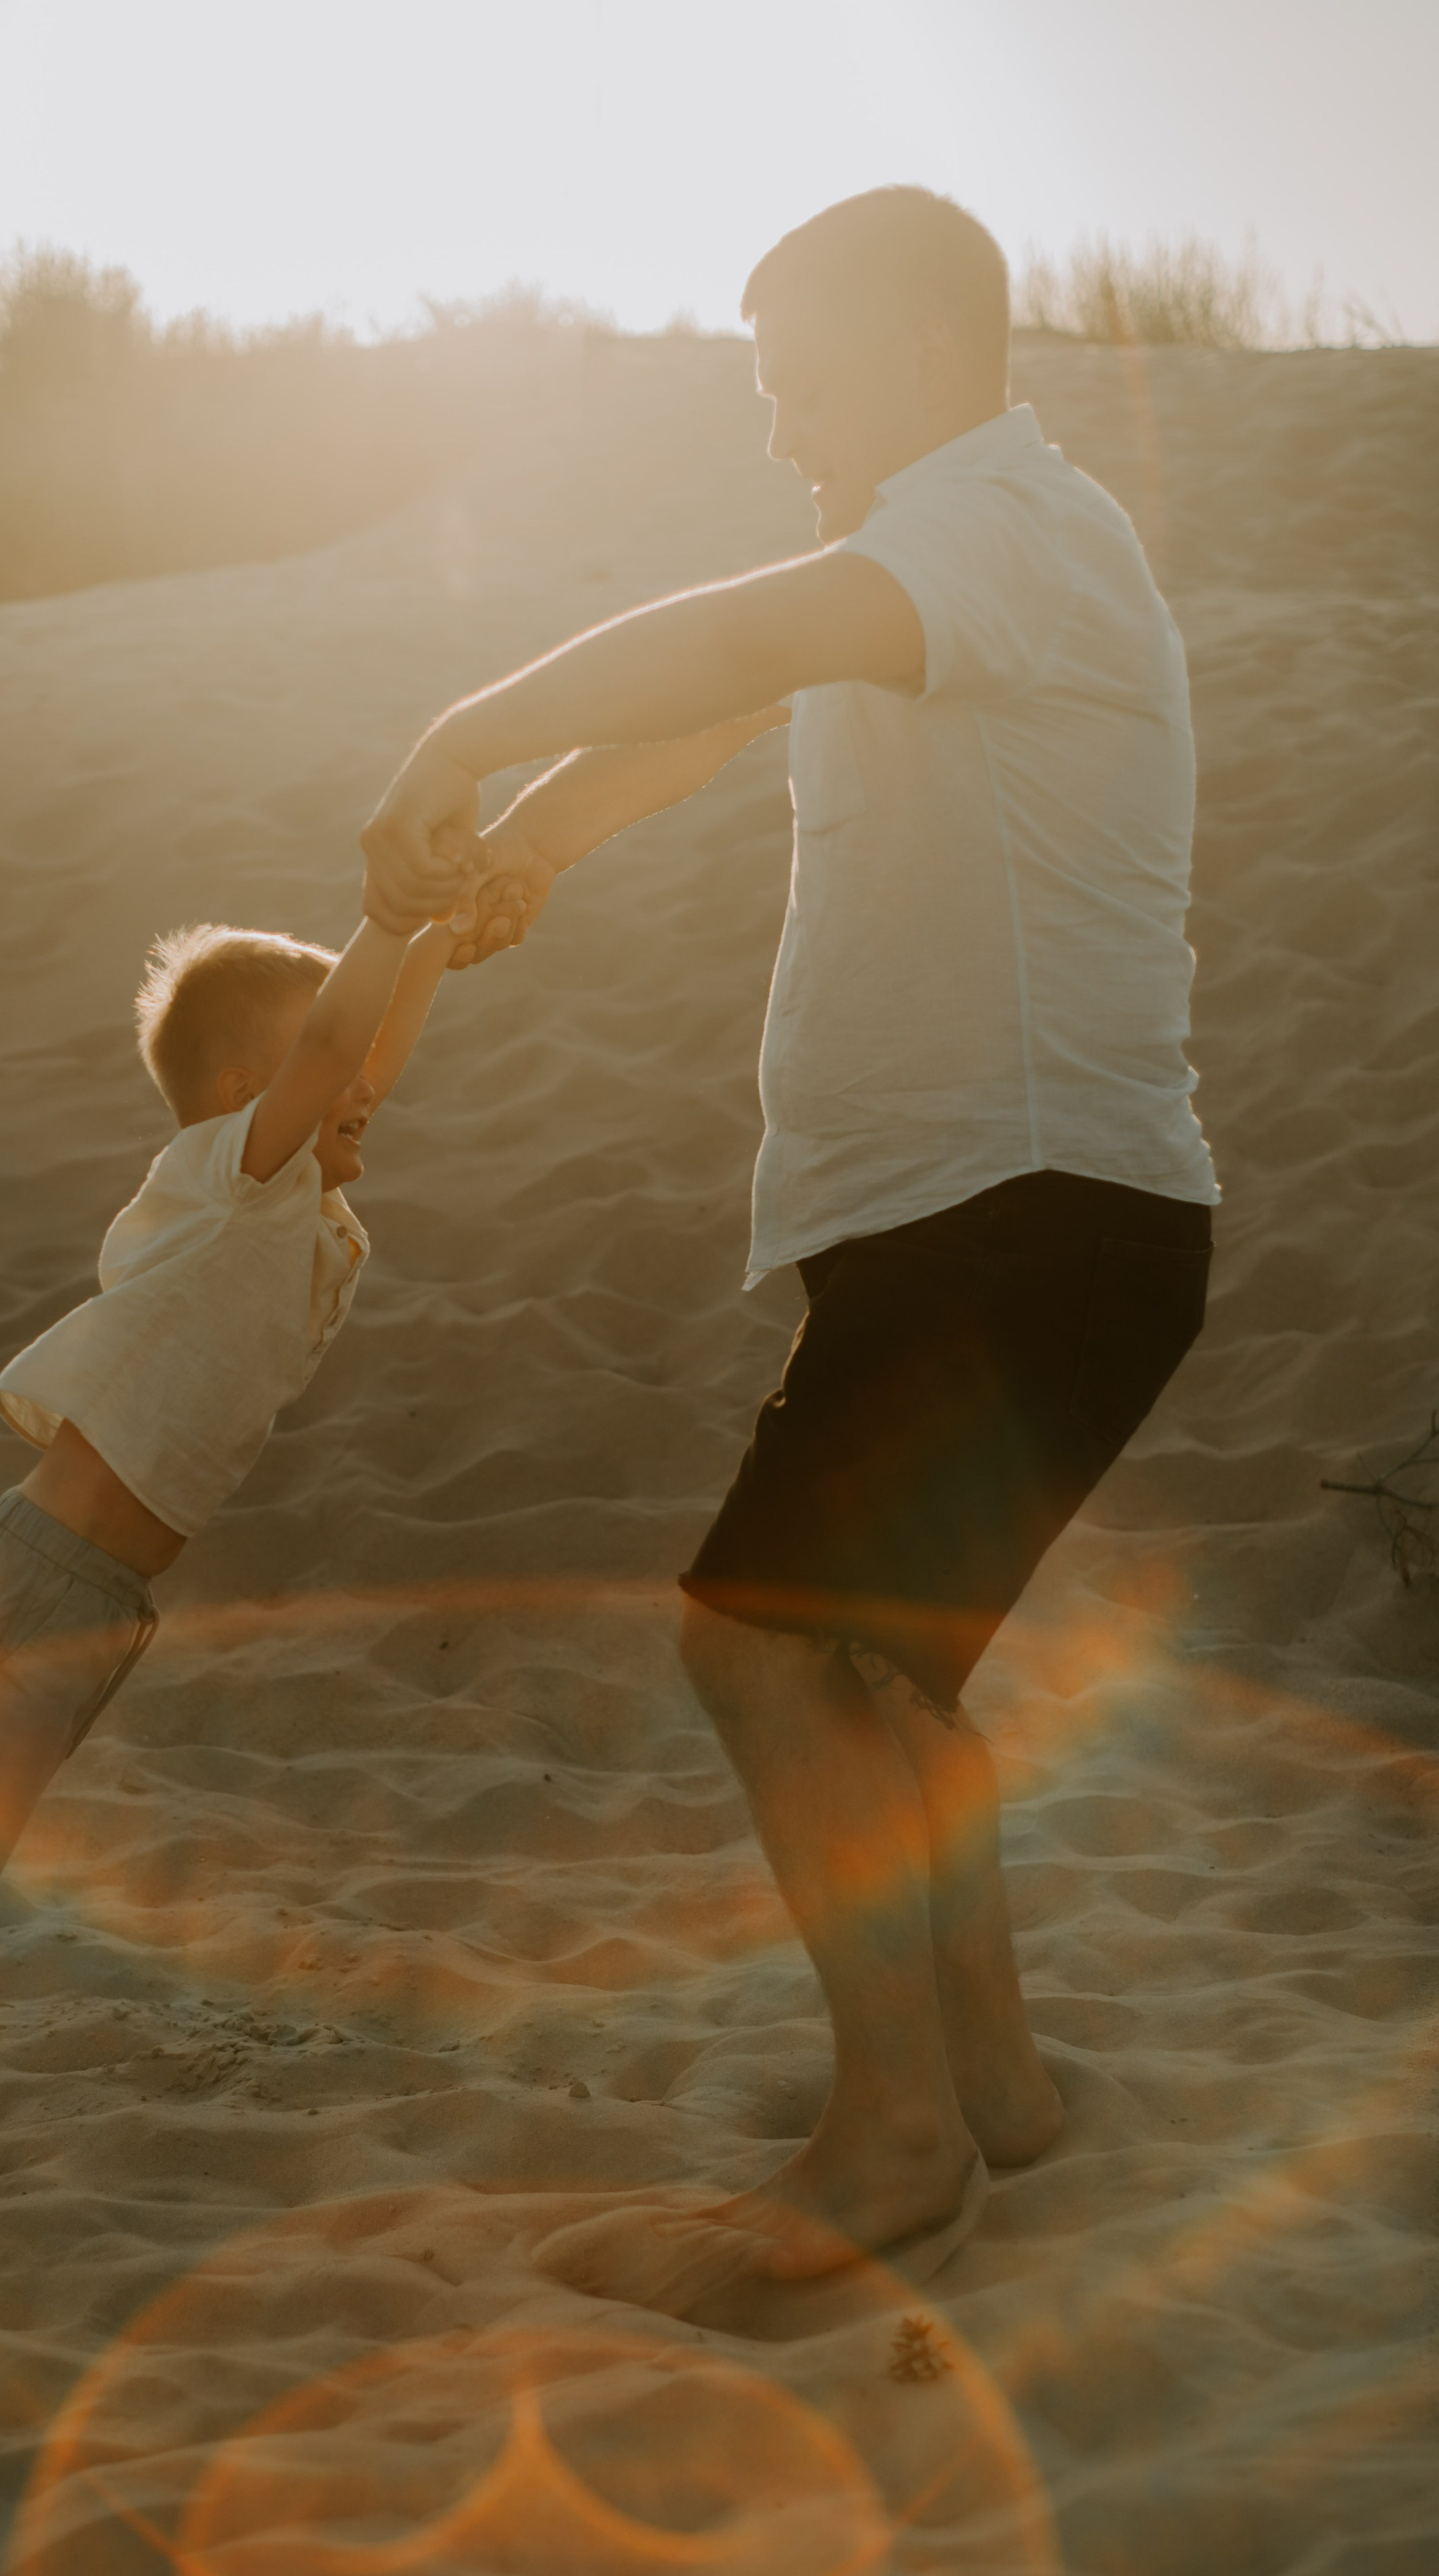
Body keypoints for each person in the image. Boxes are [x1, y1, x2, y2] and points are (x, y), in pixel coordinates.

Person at [360, 185, 1217, 2310]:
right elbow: (726, 716)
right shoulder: (949, 564)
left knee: (752, 1645)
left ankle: (894, 2142)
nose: (775, 427)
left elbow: (744, 641)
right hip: (1004, 1223)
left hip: (1017, 1219)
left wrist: (457, 737)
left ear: (924, 353)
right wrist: (532, 852)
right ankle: (994, 2094)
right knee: (876, 1672)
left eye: (795, 379)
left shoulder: (1001, 533)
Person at [0, 910, 456, 2129]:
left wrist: (437, 937)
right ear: (243, 1092)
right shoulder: (243, 1177)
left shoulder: (300, 1207)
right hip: (39, 1569)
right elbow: (337, 1044)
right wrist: (390, 915)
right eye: (337, 1068)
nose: (367, 1087)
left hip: (90, 1590)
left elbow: (359, 1049)